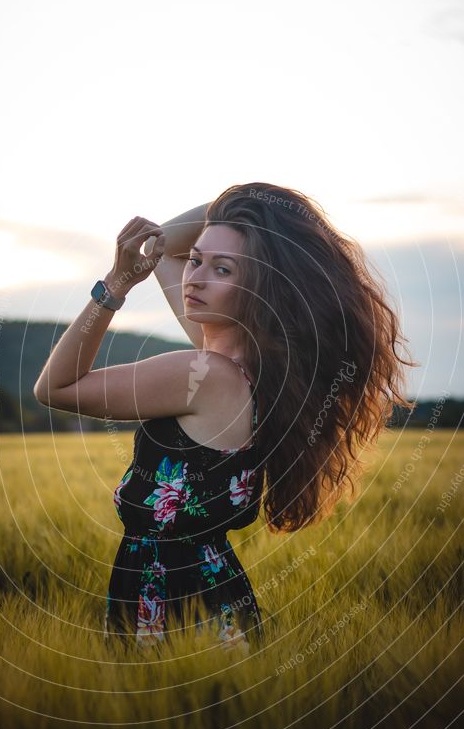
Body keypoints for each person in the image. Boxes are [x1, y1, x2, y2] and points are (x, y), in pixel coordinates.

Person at [33, 182, 417, 655]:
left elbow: (55, 387)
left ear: (260, 286)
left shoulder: (203, 375)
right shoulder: (252, 368)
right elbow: (163, 246)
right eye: (197, 262)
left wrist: (115, 284)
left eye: (223, 269)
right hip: (214, 587)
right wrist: (248, 208)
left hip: (170, 596)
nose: (194, 278)